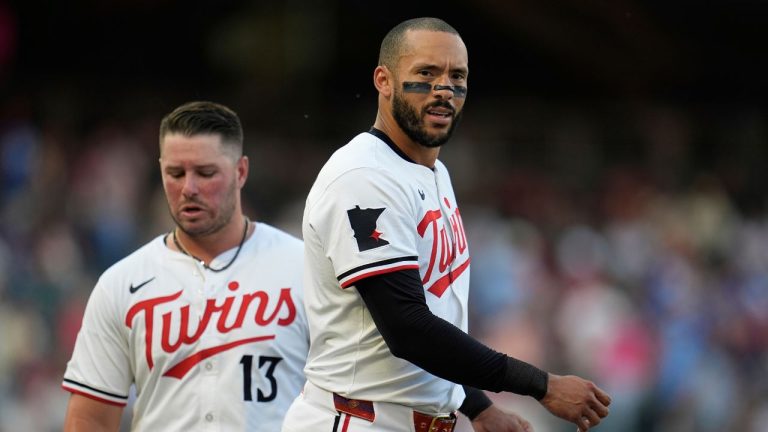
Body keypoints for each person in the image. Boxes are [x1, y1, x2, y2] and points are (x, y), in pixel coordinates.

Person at [282, 17, 611, 432]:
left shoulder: (432, 171)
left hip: (414, 417)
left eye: (457, 76)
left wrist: (476, 406)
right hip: (358, 417)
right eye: (426, 73)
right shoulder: (363, 176)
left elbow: (437, 319)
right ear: (383, 80)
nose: (444, 90)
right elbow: (407, 328)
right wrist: (540, 385)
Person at [62, 101, 309, 431]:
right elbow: (89, 418)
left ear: (240, 172)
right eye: (175, 173)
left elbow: (352, 392)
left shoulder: (303, 267)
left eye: (206, 173)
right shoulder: (122, 282)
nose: (189, 188)